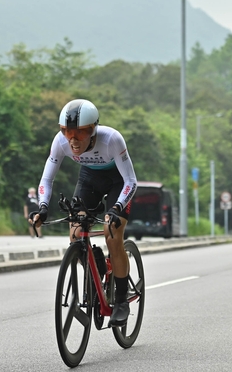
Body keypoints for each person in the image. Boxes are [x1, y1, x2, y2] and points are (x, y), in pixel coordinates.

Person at [28, 99, 137, 327]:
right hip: (89, 179)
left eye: (80, 132)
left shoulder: (112, 139)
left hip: (118, 181)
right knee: (76, 234)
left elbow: (130, 181)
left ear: (93, 129)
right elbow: (47, 179)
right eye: (67, 132)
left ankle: (120, 300)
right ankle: (96, 265)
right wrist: (43, 207)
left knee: (111, 233)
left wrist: (116, 208)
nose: (73, 140)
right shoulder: (60, 142)